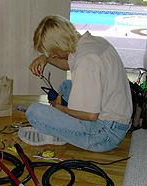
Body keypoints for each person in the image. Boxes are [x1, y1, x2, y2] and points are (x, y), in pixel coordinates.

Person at [19, 15, 132, 152]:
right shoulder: (93, 43)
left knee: (34, 112)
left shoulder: (86, 61)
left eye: (53, 52)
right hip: (117, 122)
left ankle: (58, 133)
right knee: (66, 86)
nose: (53, 56)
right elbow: (69, 64)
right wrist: (46, 58)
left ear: (62, 43)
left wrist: (61, 110)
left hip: (103, 134)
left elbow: (90, 115)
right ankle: (64, 128)